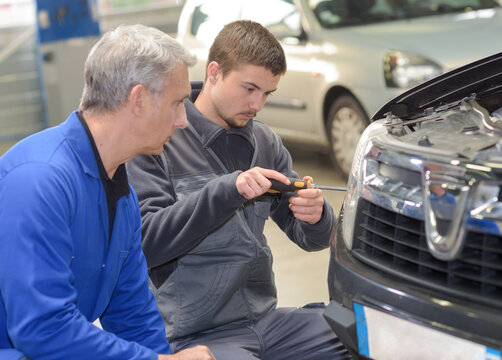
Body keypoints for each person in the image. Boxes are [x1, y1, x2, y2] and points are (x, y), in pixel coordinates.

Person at [127, 20, 352, 359]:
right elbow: (148, 243)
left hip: (267, 322)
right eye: (249, 89)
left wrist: (316, 216)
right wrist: (228, 190)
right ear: (214, 72)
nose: (258, 104)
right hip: (196, 336)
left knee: (363, 340)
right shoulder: (159, 141)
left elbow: (311, 240)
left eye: (267, 93)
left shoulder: (265, 142)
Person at [0, 24, 214, 360]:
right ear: (139, 99)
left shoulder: (121, 196)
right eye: (178, 102)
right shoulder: (40, 181)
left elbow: (133, 316)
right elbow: (42, 329)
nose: (183, 120)